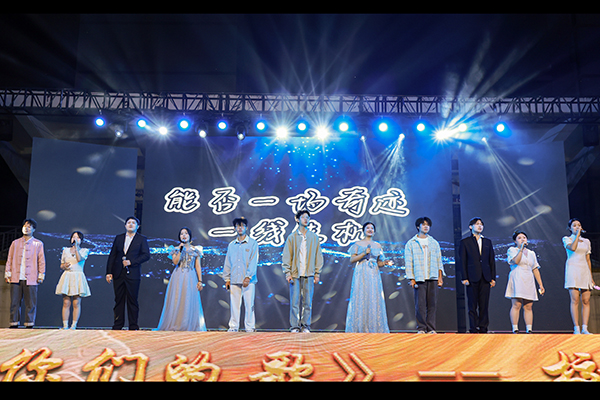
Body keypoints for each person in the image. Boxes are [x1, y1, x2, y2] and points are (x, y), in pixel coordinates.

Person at [345, 221, 393, 333]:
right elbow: (352, 259)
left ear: (374, 231)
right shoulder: (357, 244)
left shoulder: (378, 245)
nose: (370, 230)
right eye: (367, 228)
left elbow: (379, 262)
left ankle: (374, 327)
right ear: (363, 230)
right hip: (361, 272)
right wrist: (364, 253)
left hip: (374, 273)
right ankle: (359, 328)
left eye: (372, 228)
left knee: (373, 296)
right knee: (361, 296)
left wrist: (385, 262)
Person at [156, 227, 206, 331]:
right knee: (177, 298)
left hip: (190, 276)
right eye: (182, 234)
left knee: (188, 299)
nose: (184, 235)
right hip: (178, 276)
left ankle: (188, 324)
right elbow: (175, 262)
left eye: (186, 233)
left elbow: (198, 266)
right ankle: (176, 324)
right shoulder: (175, 249)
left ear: (190, 236)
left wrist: (200, 281)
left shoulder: (196, 250)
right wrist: (180, 250)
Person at [282, 209, 324, 333]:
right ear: (297, 219)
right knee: (294, 302)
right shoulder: (292, 237)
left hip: (309, 274)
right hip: (295, 274)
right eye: (303, 217)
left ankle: (306, 325)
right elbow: (287, 255)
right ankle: (294, 326)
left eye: (308, 217)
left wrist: (317, 273)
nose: (306, 219)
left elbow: (318, 256)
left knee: (308, 302)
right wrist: (288, 272)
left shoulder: (314, 237)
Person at [106, 216, 150, 330]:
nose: (131, 224)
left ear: (138, 226)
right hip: (118, 273)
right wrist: (109, 272)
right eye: (128, 222)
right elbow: (112, 255)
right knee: (118, 300)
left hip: (133, 274)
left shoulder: (141, 239)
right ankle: (118, 325)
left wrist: (132, 262)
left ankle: (133, 325)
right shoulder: (119, 238)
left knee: (132, 300)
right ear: (125, 225)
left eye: (133, 223)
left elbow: (146, 255)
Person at [404, 217, 445, 334]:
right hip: (419, 277)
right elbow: (408, 262)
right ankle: (421, 328)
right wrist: (411, 278)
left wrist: (440, 277)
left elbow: (439, 261)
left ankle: (431, 328)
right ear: (418, 226)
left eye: (428, 225)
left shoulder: (434, 242)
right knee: (420, 305)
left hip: (432, 277)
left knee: (432, 304)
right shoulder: (411, 243)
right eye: (423, 224)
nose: (426, 226)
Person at [4, 218, 46, 328]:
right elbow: (10, 258)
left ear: (33, 229)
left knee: (30, 303)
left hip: (31, 278)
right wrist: (8, 273)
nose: (26, 228)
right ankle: (13, 323)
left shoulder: (38, 244)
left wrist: (41, 274)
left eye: (29, 226)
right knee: (14, 302)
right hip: (16, 277)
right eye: (25, 226)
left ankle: (29, 323)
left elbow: (41, 260)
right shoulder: (15, 243)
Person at [459, 217, 496, 333]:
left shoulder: (487, 242)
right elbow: (462, 261)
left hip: (485, 277)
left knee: (484, 304)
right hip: (471, 277)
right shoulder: (465, 242)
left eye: (481, 224)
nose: (480, 226)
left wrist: (492, 278)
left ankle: (483, 327)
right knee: (472, 305)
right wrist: (464, 277)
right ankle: (473, 328)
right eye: (477, 224)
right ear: (470, 227)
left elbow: (491, 261)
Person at [505, 230, 545, 333]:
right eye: (519, 238)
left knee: (528, 306)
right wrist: (521, 249)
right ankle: (515, 328)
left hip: (529, 279)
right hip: (517, 277)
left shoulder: (532, 253)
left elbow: (535, 269)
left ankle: (529, 329)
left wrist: (540, 285)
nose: (522, 239)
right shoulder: (512, 250)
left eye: (524, 237)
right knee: (516, 304)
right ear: (515, 241)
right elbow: (516, 261)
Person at [223, 217, 259, 332]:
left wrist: (248, 276)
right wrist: (227, 279)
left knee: (249, 305)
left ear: (246, 228)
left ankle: (250, 327)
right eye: (238, 226)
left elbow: (253, 261)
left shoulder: (252, 243)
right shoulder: (231, 245)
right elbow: (228, 262)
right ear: (235, 228)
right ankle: (233, 326)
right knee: (234, 305)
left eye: (242, 225)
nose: (240, 228)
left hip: (248, 280)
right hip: (234, 279)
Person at [563, 218, 596, 334]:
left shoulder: (586, 241)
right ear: (570, 228)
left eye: (579, 225)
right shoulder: (567, 239)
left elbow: (588, 259)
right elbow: (572, 248)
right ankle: (576, 328)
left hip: (584, 270)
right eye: (574, 225)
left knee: (586, 300)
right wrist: (577, 235)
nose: (577, 227)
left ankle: (585, 328)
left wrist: (591, 277)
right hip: (573, 269)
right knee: (575, 299)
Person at [55, 231, 91, 330]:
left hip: (78, 276)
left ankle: (74, 325)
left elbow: (79, 259)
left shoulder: (84, 250)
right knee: (66, 302)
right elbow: (61, 265)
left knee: (76, 302)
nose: (75, 239)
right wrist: (64, 266)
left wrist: (76, 247)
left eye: (78, 237)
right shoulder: (65, 250)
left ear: (81, 240)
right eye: (73, 237)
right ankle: (65, 325)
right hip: (67, 276)